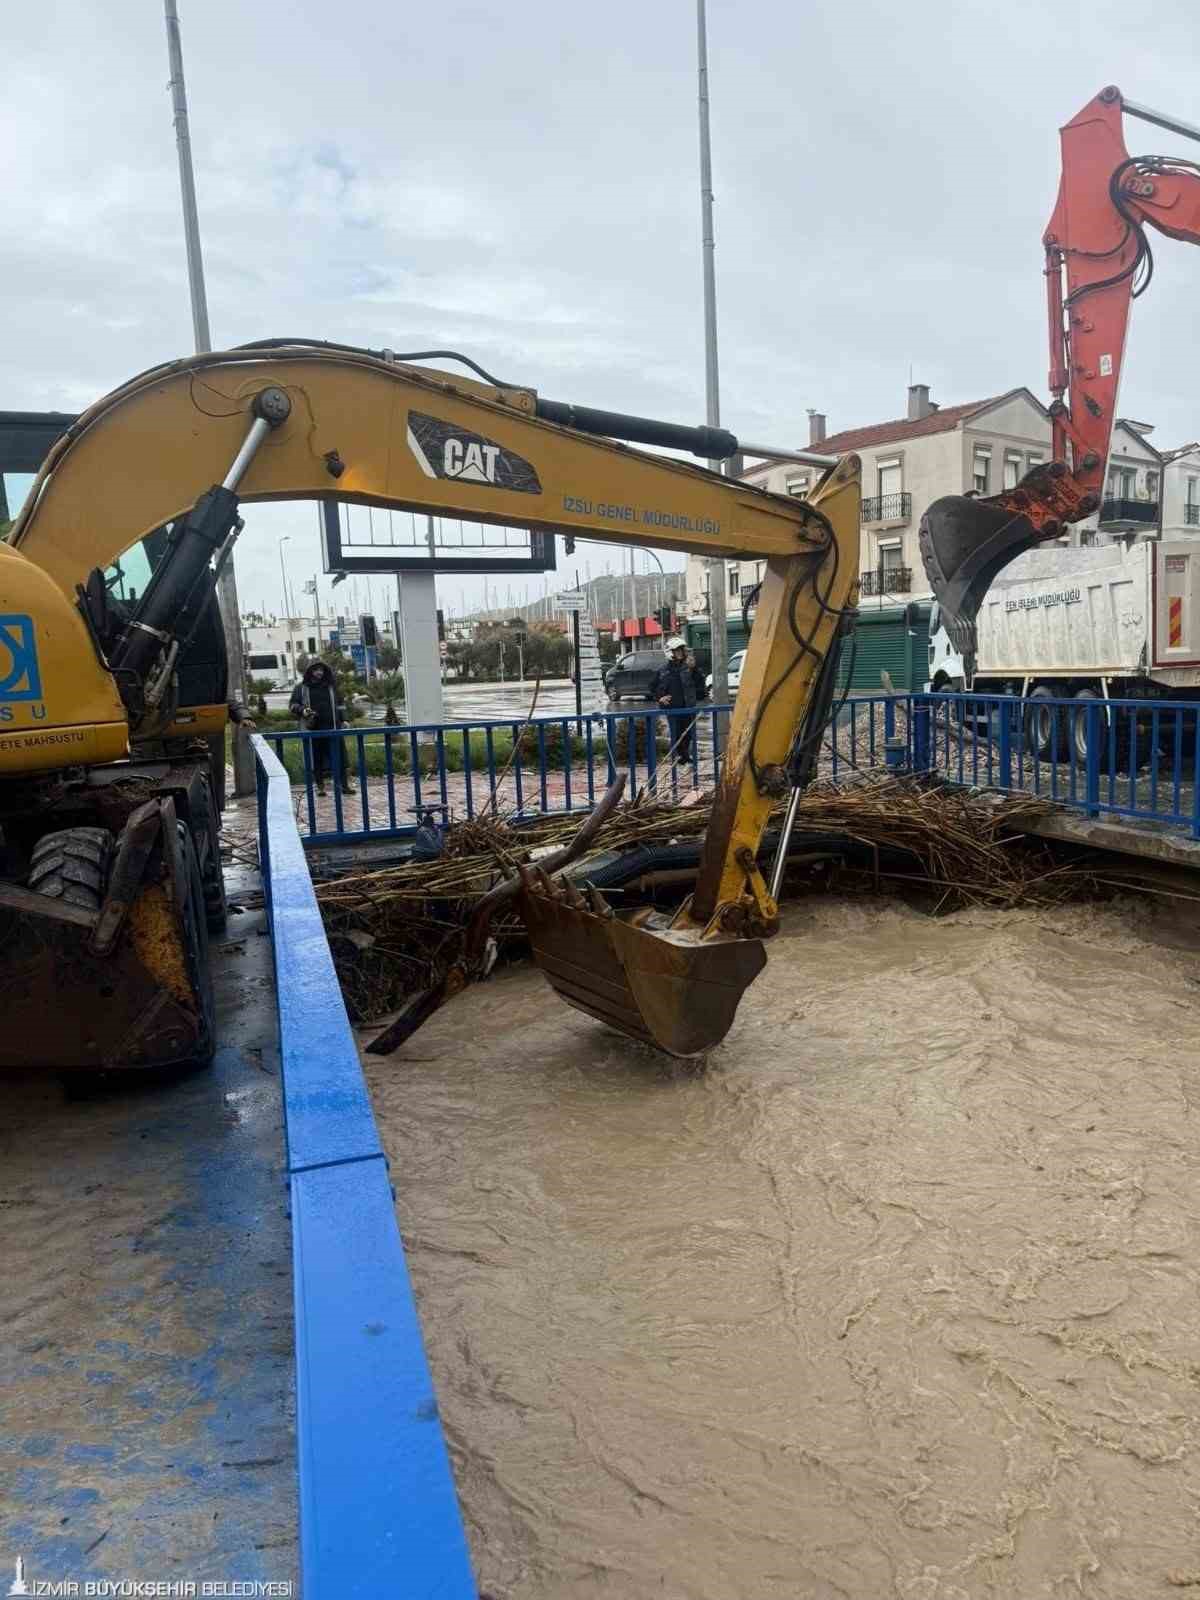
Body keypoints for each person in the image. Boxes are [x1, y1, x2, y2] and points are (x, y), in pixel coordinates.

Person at [289, 660, 355, 797]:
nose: (319, 673)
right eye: (316, 670)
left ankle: (344, 786)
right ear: (310, 672)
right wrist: (303, 711)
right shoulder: (301, 688)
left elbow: (340, 705)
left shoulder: (331, 686)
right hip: (313, 730)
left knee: (340, 758)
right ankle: (320, 787)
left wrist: (345, 719)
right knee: (316, 759)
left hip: (333, 728)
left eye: (321, 670)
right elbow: (292, 705)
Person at [652, 638, 708, 765]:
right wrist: (660, 698)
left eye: (682, 650)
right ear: (670, 652)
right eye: (678, 650)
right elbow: (653, 687)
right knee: (676, 733)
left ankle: (685, 757)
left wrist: (693, 669)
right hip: (672, 708)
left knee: (688, 733)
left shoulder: (689, 668)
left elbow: (700, 686)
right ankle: (680, 757)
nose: (681, 653)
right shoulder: (663, 670)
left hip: (688, 707)